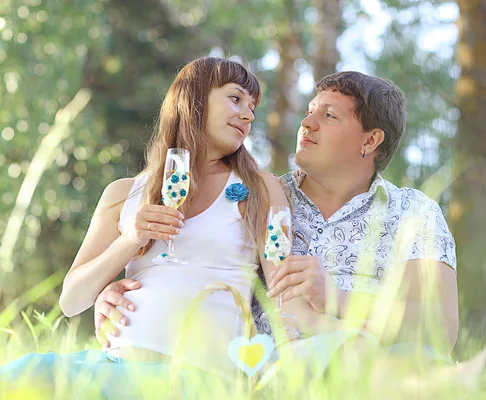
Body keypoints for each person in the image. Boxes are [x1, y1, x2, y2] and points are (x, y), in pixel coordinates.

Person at [96, 71, 459, 370]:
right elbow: (194, 265)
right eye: (310, 111)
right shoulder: (256, 195)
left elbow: (441, 329)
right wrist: (116, 292)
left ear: (371, 140)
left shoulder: (413, 212)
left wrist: (335, 298)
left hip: (375, 365)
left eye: (329, 116)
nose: (307, 123)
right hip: (269, 370)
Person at [0, 56, 297, 394]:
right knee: (24, 374)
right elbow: (71, 300)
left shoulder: (259, 187)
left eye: (252, 106)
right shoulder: (124, 193)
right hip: (113, 367)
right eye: (235, 98)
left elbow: (283, 288)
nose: (248, 115)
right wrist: (130, 239)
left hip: (194, 378)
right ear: (194, 98)